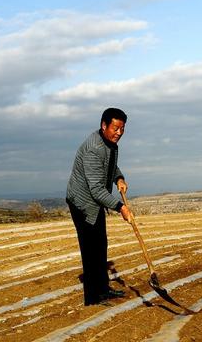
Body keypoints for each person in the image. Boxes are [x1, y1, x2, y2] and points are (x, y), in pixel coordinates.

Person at [66, 107, 134, 306]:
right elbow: (96, 189)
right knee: (90, 249)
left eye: (122, 129)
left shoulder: (110, 144)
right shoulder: (93, 148)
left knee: (100, 244)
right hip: (82, 203)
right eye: (115, 128)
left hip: (95, 201)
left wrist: (118, 178)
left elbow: (110, 165)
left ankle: (103, 289)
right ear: (104, 125)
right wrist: (121, 207)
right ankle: (93, 297)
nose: (119, 133)